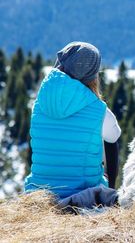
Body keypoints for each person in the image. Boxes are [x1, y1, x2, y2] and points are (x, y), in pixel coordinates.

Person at [24, 42, 121, 199]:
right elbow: (113, 137)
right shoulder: (100, 110)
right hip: (83, 195)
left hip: (38, 193)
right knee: (110, 141)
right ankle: (111, 188)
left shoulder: (39, 104)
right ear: (93, 74)